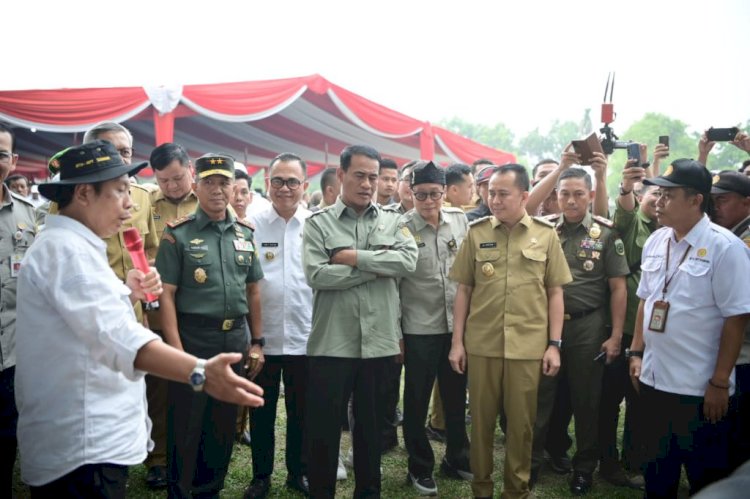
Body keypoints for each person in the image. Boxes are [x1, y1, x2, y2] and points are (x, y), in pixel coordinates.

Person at [14, 141, 264, 498]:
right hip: (84, 448)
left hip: (87, 440)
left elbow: (82, 317)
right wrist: (198, 372)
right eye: (119, 192)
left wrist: (125, 293)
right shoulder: (66, 252)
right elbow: (116, 335)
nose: (131, 204)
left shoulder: (74, 247)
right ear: (84, 193)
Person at [448, 164, 572, 499]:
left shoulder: (545, 235)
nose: (494, 199)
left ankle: (516, 491)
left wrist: (554, 344)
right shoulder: (476, 232)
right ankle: (482, 489)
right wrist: (457, 343)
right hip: (483, 345)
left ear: (524, 196)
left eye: (503, 193)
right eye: (490, 193)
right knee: (482, 424)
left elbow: (555, 293)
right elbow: (464, 291)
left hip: (527, 348)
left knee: (521, 426)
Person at [628, 159, 750, 497]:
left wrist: (719, 381)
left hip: (699, 390)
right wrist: (636, 352)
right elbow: (645, 301)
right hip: (654, 381)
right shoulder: (657, 241)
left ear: (696, 200)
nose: (658, 201)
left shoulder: (725, 248)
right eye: (657, 193)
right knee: (657, 476)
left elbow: (735, 318)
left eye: (668, 195)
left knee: (705, 479)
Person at [302, 144, 418, 498]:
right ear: (340, 176)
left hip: (379, 343)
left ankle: (369, 492)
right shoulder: (318, 224)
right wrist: (375, 268)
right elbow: (317, 275)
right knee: (324, 429)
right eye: (360, 175)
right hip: (332, 342)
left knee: (370, 430)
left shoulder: (394, 220)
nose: (368, 184)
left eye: (373, 176)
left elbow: (408, 262)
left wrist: (352, 259)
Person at [156, 153, 265, 498]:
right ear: (196, 184)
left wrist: (257, 341)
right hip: (193, 337)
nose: (218, 190)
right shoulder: (178, 235)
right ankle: (180, 491)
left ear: (233, 187)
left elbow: (253, 290)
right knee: (187, 421)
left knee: (222, 421)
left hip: (234, 338)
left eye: (224, 183)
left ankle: (209, 490)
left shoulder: (245, 233)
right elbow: (167, 296)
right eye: (209, 183)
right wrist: (175, 350)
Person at [531, 165, 629, 495]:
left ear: (589, 195)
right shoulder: (544, 231)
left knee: (587, 399)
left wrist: (615, 335)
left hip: (588, 326)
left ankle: (584, 467)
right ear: (556, 196)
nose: (571, 201)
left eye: (578, 194)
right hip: (546, 326)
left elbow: (618, 288)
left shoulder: (606, 233)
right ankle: (530, 462)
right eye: (564, 194)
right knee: (540, 396)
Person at [399, 161, 471, 496]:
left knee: (456, 398)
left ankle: (457, 457)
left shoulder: (459, 220)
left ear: (445, 193)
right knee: (416, 400)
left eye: (434, 194)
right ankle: (420, 466)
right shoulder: (400, 228)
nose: (428, 201)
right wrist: (397, 334)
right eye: (421, 195)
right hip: (418, 329)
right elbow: (394, 286)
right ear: (410, 193)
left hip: (456, 328)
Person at [243, 153, 312, 498]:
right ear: (267, 183)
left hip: (305, 337)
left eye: (292, 182)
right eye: (278, 181)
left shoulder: (316, 225)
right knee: (261, 410)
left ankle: (297, 473)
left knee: (301, 413)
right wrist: (252, 338)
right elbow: (246, 284)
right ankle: (261, 475)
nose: (285, 188)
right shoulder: (252, 225)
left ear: (305, 186)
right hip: (263, 339)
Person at [142, 142, 199, 489]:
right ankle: (159, 457)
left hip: (196, 307)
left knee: (198, 382)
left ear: (190, 170)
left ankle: (195, 451)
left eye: (177, 178)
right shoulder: (146, 205)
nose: (172, 187)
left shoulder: (207, 199)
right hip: (158, 307)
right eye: (164, 181)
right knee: (159, 387)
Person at [0, 123, 37, 495]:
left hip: (12, 352)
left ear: (13, 161)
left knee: (8, 434)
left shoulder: (29, 218)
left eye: (0, 153)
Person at [710, 170, 750, 472]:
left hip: (744, 352)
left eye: (722, 200)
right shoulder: (730, 235)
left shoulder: (743, 241)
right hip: (732, 349)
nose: (715, 208)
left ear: (747, 203)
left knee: (738, 433)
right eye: (711, 201)